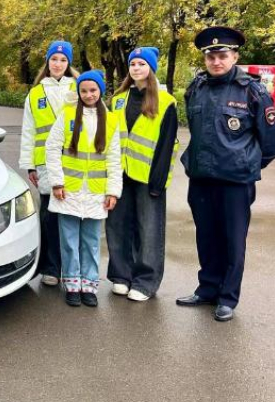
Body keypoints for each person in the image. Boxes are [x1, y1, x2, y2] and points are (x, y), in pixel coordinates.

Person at [176, 27, 275, 322]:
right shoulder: (197, 87)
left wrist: (245, 165)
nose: (216, 61)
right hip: (201, 178)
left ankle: (227, 297)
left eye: (223, 55)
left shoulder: (252, 90)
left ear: (234, 56)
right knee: (206, 237)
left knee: (233, 240)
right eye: (211, 56)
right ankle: (207, 288)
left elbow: (270, 143)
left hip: (235, 181)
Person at [106, 47, 179, 302]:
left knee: (148, 230)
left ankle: (145, 281)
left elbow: (167, 145)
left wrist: (159, 181)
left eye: (141, 64)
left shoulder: (165, 101)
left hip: (149, 177)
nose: (136, 68)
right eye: (133, 64)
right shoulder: (118, 99)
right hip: (120, 174)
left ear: (151, 68)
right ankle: (120, 275)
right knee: (117, 225)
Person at [45, 70, 121, 307]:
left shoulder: (110, 120)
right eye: (84, 90)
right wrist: (56, 182)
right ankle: (72, 285)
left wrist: (112, 191)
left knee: (91, 240)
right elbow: (52, 149)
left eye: (93, 90)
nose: (88, 95)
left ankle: (89, 285)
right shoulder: (67, 114)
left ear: (100, 92)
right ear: (78, 92)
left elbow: (114, 159)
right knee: (68, 240)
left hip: (97, 192)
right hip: (68, 190)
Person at [19, 40, 78, 286]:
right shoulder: (35, 94)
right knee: (49, 217)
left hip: (74, 162)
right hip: (45, 165)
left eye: (63, 60)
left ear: (68, 63)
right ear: (47, 61)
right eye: (54, 59)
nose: (58, 64)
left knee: (73, 217)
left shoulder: (79, 88)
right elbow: (29, 131)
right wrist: (30, 165)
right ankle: (51, 268)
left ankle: (73, 269)